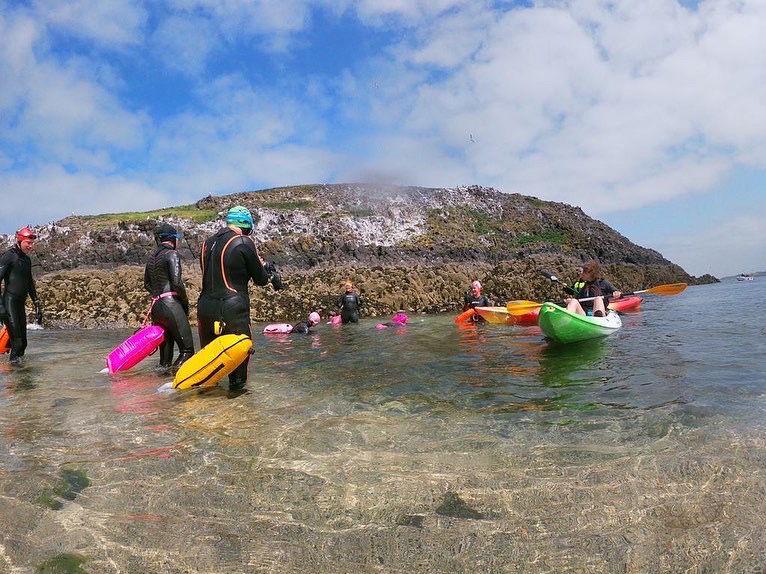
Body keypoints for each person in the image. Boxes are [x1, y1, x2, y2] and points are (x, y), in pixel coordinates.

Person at [197, 206, 282, 390]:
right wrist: (270, 274)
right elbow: (260, 279)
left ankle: (207, 413)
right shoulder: (243, 241)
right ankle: (239, 409)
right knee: (238, 372)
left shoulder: (206, 243)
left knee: (209, 371)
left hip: (204, 308)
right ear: (247, 224)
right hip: (232, 309)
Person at [144, 223, 194, 372]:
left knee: (164, 360)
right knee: (187, 352)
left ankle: (161, 386)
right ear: (173, 240)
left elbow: (147, 284)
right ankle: (173, 385)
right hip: (171, 305)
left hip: (156, 308)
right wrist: (184, 303)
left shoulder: (151, 259)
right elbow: (177, 283)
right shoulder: (172, 254)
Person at [0, 227, 42, 364]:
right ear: (20, 240)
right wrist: (1, 307)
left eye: (31, 243)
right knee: (17, 342)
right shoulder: (9, 256)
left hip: (20, 304)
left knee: (23, 343)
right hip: (9, 302)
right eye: (27, 243)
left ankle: (18, 374)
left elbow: (29, 283)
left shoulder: (27, 260)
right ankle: (14, 376)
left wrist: (37, 304)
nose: (30, 246)